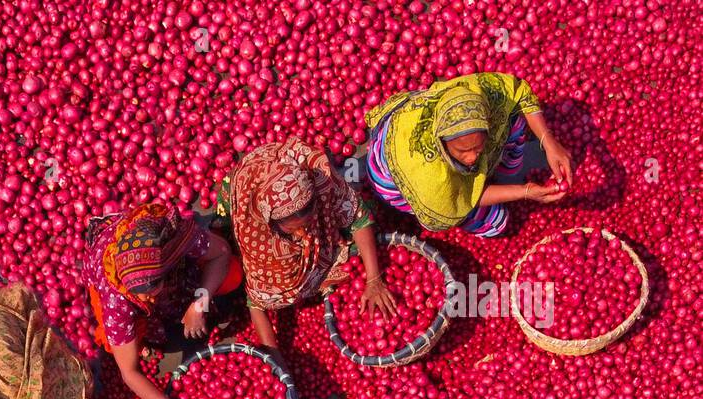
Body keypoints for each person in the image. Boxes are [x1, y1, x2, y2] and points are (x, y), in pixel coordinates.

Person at [83, 201, 240, 399]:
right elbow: (130, 374)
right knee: (120, 344)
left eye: (150, 293)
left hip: (159, 265)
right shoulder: (117, 300)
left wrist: (199, 304)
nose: (147, 300)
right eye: (141, 297)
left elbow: (221, 252)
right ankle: (146, 337)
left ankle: (180, 302)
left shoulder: (170, 239)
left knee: (232, 273)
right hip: (111, 281)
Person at [217, 138, 396, 349]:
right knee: (236, 251)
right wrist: (275, 363)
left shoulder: (317, 179)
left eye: (308, 222)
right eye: (293, 229)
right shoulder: (254, 231)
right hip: (245, 190)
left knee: (366, 221)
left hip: (286, 172)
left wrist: (374, 280)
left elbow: (358, 217)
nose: (303, 234)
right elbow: (257, 302)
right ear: (272, 222)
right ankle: (221, 224)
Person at [364, 72, 576, 236]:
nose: (473, 157)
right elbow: (460, 202)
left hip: (418, 125)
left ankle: (498, 173)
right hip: (394, 179)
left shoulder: (480, 91)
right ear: (442, 141)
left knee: (515, 121)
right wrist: (525, 191)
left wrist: (549, 142)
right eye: (462, 151)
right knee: (497, 223)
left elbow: (520, 94)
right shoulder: (428, 177)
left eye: (478, 147)